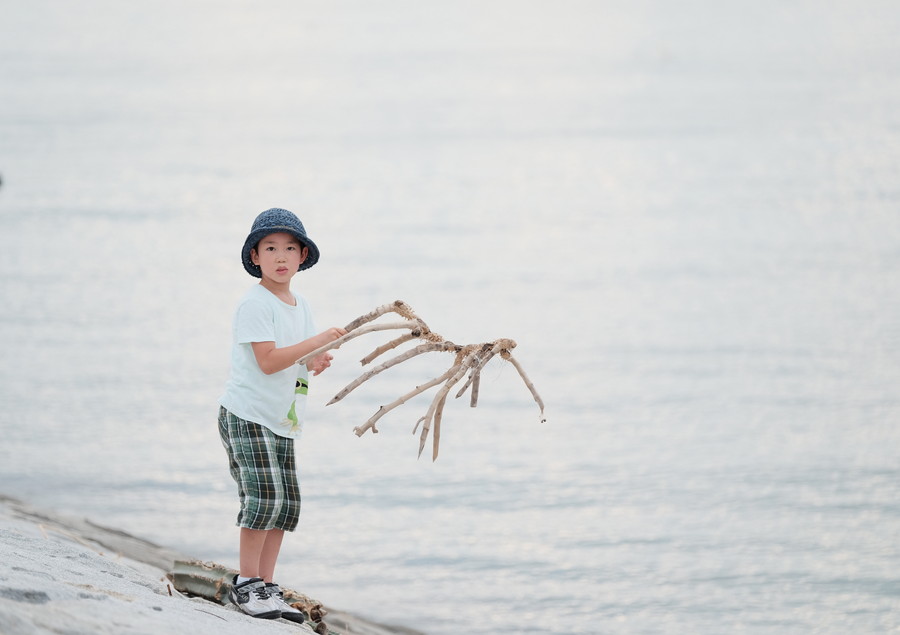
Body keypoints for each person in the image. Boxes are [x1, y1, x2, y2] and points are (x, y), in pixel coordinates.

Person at [218, 208, 347, 621]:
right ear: (254, 256)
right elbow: (269, 361)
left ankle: (266, 587)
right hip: (248, 414)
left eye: (290, 248)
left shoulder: (299, 304)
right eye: (270, 248)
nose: (280, 256)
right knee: (262, 499)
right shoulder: (254, 303)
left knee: (285, 504)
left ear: (302, 256)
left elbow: (298, 357)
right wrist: (316, 341)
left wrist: (316, 358)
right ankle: (246, 584)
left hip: (282, 418)